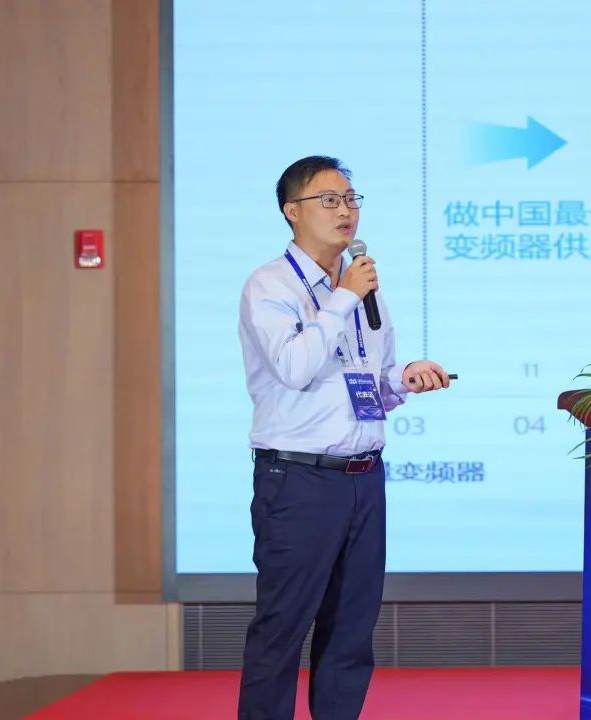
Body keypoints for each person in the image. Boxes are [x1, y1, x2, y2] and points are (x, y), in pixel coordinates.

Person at [236, 155, 450, 719]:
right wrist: (344, 298)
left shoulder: (360, 288)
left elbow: (369, 380)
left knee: (351, 632)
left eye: (351, 199)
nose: (345, 211)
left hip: (364, 478)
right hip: (298, 479)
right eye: (329, 200)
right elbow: (295, 367)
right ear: (292, 211)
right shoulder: (271, 286)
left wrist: (403, 379)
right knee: (282, 629)